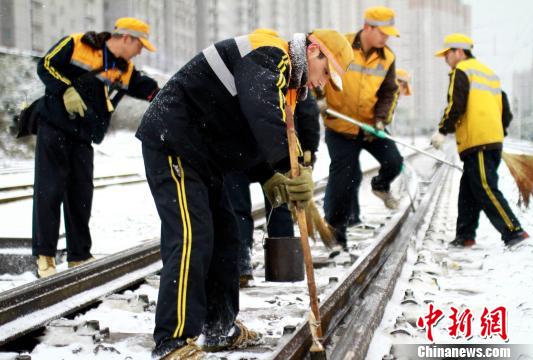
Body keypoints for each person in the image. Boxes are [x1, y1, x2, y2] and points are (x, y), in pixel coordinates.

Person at [135, 29, 353, 359]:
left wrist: (267, 175)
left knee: (226, 238)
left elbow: (243, 126)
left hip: (203, 155)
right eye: (326, 74)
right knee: (192, 238)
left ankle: (220, 327)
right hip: (174, 141)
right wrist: (282, 163)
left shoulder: (287, 80)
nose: (322, 85)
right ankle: (173, 341)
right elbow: (259, 106)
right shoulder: (272, 54)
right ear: (314, 52)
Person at [33, 18, 160, 278]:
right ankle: (45, 256)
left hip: (83, 135)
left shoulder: (125, 70)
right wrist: (66, 90)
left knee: (81, 193)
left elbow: (151, 91)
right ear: (127, 38)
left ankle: (79, 256)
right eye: (140, 45)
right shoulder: (77, 43)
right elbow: (45, 65)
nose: (140, 52)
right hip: (55, 126)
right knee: (50, 189)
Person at [431, 33, 529, 248]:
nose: (445, 59)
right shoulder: (489, 74)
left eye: (447, 54)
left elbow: (456, 105)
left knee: (485, 187)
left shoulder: (461, 71)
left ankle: (514, 232)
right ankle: (465, 236)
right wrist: (498, 131)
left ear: (458, 51)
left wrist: (442, 130)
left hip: (479, 142)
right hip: (488, 140)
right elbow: (505, 109)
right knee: (468, 191)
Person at [320, 6, 404, 249]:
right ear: (368, 27)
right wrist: (318, 95)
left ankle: (380, 185)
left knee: (393, 161)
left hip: (369, 126)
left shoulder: (387, 56)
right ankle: (336, 233)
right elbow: (319, 69)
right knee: (344, 179)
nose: (386, 38)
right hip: (340, 127)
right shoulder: (342, 45)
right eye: (383, 33)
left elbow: (390, 91)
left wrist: (380, 120)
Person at [224, 91, 320, 288]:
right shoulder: (295, 78)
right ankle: (283, 266)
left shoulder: (250, 71)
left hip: (239, 145)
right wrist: (308, 150)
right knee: (280, 204)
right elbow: (308, 113)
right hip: (275, 150)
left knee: (237, 209)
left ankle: (240, 264)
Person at [347, 67, 413, 226]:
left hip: (376, 130)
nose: (401, 90)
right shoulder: (380, 88)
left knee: (395, 161)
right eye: (401, 86)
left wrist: (379, 125)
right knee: (350, 173)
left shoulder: (394, 96)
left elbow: (385, 115)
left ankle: (380, 186)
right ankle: (351, 218)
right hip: (353, 128)